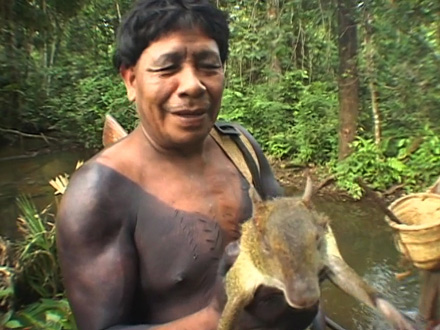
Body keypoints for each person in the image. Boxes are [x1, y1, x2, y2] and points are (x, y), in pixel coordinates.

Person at [56, 1, 320, 329]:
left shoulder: (242, 147)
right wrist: (217, 316)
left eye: (208, 66)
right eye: (168, 68)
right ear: (131, 79)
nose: (193, 85)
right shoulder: (98, 194)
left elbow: (291, 231)